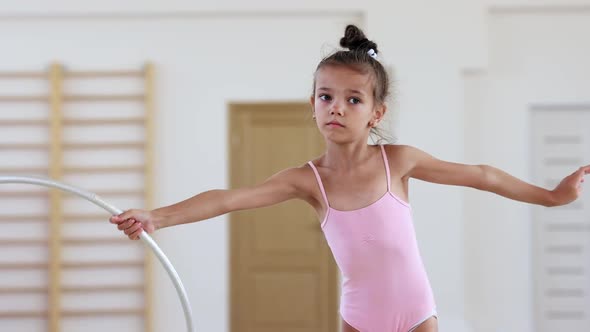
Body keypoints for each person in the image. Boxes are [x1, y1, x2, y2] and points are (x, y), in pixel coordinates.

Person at [110, 25, 589, 332]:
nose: (336, 106)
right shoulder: (307, 181)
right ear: (313, 105)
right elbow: (229, 199)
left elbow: (482, 175)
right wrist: (157, 216)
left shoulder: (397, 161)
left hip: (418, 315)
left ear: (376, 112)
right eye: (325, 96)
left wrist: (552, 196)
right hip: (358, 320)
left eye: (353, 99)